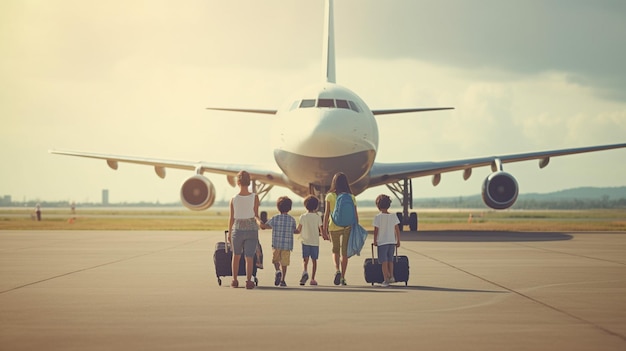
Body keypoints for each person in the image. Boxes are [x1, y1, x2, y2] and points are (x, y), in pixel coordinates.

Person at [228, 170, 262, 290]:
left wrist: (229, 232)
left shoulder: (233, 198)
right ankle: (248, 281)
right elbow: (256, 215)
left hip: (237, 229)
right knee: (249, 257)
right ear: (249, 182)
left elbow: (231, 217)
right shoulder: (255, 197)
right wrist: (259, 223)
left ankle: (234, 280)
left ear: (238, 182)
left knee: (236, 256)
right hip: (251, 229)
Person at [323, 172, 358, 286]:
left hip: (334, 226)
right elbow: (355, 214)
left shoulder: (330, 196)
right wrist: (356, 227)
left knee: (335, 250)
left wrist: (324, 229)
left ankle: (337, 270)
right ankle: (343, 277)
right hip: (347, 226)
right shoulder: (351, 197)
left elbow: (326, 213)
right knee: (344, 253)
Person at [260, 196, 297, 287]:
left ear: (278, 207)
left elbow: (265, 226)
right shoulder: (292, 220)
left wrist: (259, 221)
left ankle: (277, 271)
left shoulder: (275, 218)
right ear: (290, 208)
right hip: (287, 246)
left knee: (276, 260)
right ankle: (283, 280)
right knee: (284, 263)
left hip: (276, 244)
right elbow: (294, 230)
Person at [295, 195, 327, 286]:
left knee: (305, 259)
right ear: (316, 206)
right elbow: (321, 230)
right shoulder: (317, 217)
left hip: (305, 241)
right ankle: (313, 279)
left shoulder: (303, 216)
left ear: (305, 206)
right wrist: (325, 236)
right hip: (315, 242)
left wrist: (291, 231)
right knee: (314, 261)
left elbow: (298, 230)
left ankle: (304, 271)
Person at [372, 194, 401, 287]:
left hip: (382, 242)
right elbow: (397, 229)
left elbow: (376, 230)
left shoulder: (378, 217)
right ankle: (391, 276)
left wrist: (375, 240)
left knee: (383, 261)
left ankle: (386, 279)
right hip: (391, 241)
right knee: (390, 260)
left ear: (378, 205)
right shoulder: (393, 216)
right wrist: (398, 240)